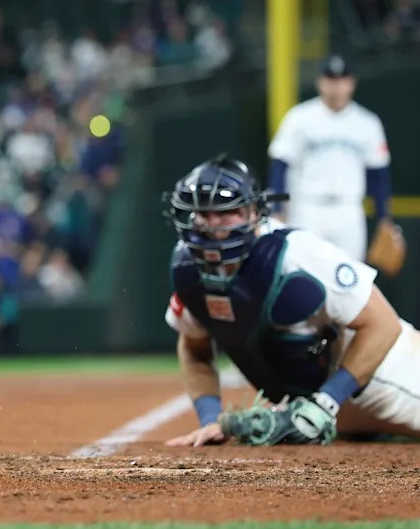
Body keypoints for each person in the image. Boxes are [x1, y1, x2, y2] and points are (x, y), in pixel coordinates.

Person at [160, 154, 420, 447]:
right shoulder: (189, 270)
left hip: (380, 373)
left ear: (253, 212)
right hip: (320, 404)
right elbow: (194, 347)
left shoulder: (296, 254)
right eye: (202, 214)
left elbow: (384, 325)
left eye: (224, 211)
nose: (211, 224)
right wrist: (210, 420)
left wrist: (326, 402)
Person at [267, 54, 395, 264]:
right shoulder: (299, 117)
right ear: (320, 82)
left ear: (352, 83)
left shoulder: (368, 123)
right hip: (307, 207)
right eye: (331, 79)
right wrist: (277, 210)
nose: (336, 86)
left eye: (342, 79)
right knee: (304, 272)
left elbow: (379, 174)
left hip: (348, 209)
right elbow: (280, 165)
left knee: (350, 277)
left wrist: (384, 219)